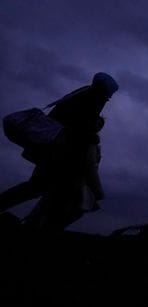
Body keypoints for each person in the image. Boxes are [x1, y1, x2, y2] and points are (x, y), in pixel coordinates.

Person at [0, 72, 118, 230]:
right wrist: (92, 138)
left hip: (56, 153)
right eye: (108, 96)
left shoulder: (80, 95)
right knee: (49, 193)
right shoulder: (91, 99)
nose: (107, 100)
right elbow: (79, 130)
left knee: (39, 189)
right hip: (61, 156)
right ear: (103, 91)